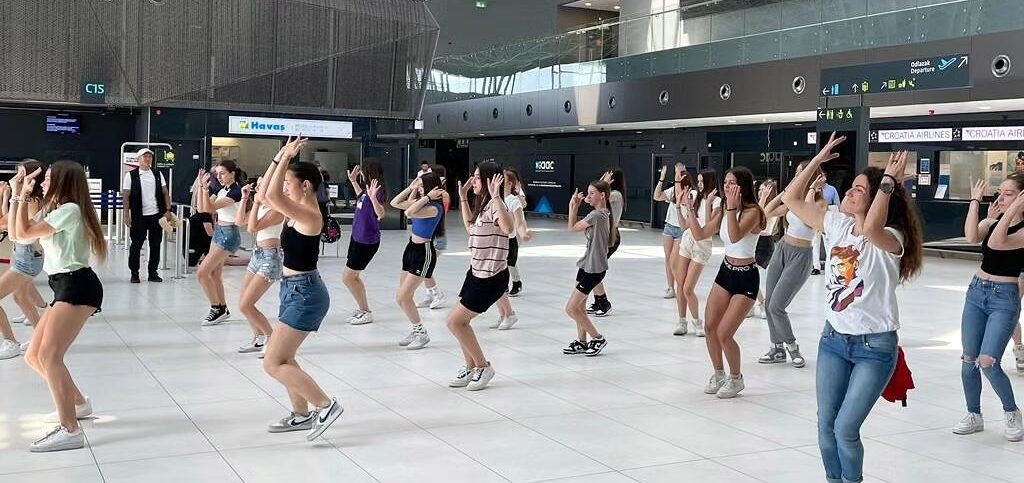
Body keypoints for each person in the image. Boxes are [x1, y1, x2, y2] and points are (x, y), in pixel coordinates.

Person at [784, 136, 923, 483]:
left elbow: (872, 227)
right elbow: (790, 198)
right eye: (853, 186)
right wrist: (818, 159)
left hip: (874, 347)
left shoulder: (892, 237)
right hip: (833, 340)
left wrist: (888, 182)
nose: (849, 191)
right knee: (825, 424)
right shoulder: (838, 224)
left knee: (846, 428)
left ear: (876, 199)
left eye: (859, 189)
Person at [16, 160, 106, 452]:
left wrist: (20, 195)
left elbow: (23, 234)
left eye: (48, 178)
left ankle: (70, 429)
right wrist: (17, 194)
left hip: (77, 285)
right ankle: (77, 403)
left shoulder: (70, 210)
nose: (43, 183)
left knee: (49, 356)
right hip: (63, 285)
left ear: (62, 182)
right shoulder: (56, 210)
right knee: (33, 356)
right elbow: (18, 233)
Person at [260, 137, 343, 441]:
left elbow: (270, 194)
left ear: (305, 186)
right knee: (285, 357)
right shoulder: (294, 210)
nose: (284, 188)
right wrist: (278, 159)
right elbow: (264, 194)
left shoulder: (309, 215)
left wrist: (283, 158)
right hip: (293, 289)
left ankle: (325, 405)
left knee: (272, 362)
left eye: (289, 184)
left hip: (306, 294)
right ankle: (301, 414)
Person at [682, 166, 765, 399]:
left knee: (724, 333)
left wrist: (730, 209)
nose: (727, 187)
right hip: (726, 272)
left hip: (746, 276)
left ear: (743, 186)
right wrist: (690, 209)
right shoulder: (724, 209)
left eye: (732, 183)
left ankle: (736, 378)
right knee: (710, 327)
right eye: (725, 182)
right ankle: (719, 374)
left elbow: (736, 235)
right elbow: (700, 234)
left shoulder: (753, 212)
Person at [965, 175, 1024, 441]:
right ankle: (974, 414)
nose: (1000, 198)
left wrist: (1011, 211)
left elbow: (996, 243)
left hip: (1004, 296)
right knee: (969, 360)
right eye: (1000, 192)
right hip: (977, 291)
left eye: (1008, 193)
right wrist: (975, 201)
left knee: (988, 362)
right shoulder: (993, 220)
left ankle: (1011, 411)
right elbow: (971, 236)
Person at [445, 162, 512, 391]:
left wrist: (497, 197)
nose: (472, 181)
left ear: (489, 181)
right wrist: (463, 198)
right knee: (459, 322)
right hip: (475, 273)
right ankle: (471, 366)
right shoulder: (483, 207)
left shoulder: (495, 205)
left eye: (476, 177)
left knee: (455, 322)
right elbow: (470, 228)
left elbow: (508, 228)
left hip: (491, 278)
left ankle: (483, 366)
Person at [758, 162, 827, 368]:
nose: (798, 177)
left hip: (801, 255)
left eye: (802, 174)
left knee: (777, 306)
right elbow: (767, 211)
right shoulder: (793, 201)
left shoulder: (820, 204)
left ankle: (792, 347)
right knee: (769, 303)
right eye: (797, 174)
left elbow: (808, 218)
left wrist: (811, 190)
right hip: (782, 248)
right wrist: (785, 192)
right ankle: (776, 348)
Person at [0, 161, 50, 360]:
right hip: (24, 254)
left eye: (21, 174)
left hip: (26, 256)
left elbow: (14, 227)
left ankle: (11, 342)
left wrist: (9, 195)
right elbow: (8, 221)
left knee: (19, 296)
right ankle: (41, 339)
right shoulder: (28, 198)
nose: (17, 178)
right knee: (19, 296)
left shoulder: (32, 200)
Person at [391, 174, 446, 350]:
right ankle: (416, 330)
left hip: (424, 253)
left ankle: (421, 333)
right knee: (402, 297)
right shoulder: (422, 203)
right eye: (419, 185)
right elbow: (395, 203)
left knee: (403, 297)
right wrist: (411, 188)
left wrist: (427, 197)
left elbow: (408, 212)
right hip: (411, 249)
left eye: (422, 185)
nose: (420, 188)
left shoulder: (435, 208)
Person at [562, 181, 614, 356]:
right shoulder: (603, 213)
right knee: (580, 307)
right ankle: (582, 342)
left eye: (592, 193)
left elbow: (571, 228)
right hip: (587, 265)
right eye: (588, 193)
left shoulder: (597, 215)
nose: (588, 196)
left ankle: (597, 338)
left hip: (594, 269)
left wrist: (573, 206)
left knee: (571, 308)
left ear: (602, 195)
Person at [235, 176, 285, 355]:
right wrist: (244, 198)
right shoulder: (262, 206)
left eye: (261, 184)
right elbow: (239, 221)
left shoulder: (277, 209)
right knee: (243, 300)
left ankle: (271, 339)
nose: (257, 187)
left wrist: (255, 203)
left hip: (269, 258)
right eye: (257, 184)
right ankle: (258, 338)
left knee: (246, 305)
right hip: (257, 256)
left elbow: (252, 228)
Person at [673, 169, 720, 337]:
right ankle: (681, 321)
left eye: (702, 181)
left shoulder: (717, 201)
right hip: (687, 240)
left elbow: (709, 227)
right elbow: (684, 226)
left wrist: (707, 204)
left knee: (688, 288)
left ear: (709, 182)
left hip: (702, 244)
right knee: (680, 284)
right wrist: (679, 206)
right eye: (698, 181)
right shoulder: (696, 197)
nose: (699, 185)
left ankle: (697, 321)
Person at [195, 161, 242, 326]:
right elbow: (202, 209)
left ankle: (216, 308)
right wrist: (201, 187)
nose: (219, 177)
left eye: (222, 173)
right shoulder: (222, 190)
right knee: (214, 274)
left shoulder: (235, 192)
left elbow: (211, 207)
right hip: (219, 232)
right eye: (217, 174)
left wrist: (205, 189)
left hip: (229, 234)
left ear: (232, 174)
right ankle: (222, 308)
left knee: (202, 273)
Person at [343, 158, 387, 326]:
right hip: (357, 237)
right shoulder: (366, 189)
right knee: (352, 277)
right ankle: (363, 309)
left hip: (366, 241)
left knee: (348, 278)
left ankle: (365, 311)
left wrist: (374, 198)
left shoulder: (377, 190)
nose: (360, 171)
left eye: (362, 169)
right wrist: (353, 181)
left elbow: (381, 214)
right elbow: (361, 197)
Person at [490, 168, 533, 330]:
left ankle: (508, 314)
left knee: (499, 278)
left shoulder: (513, 201)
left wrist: (524, 234)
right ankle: (503, 314)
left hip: (509, 241)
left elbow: (519, 222)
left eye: (503, 180)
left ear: (510, 184)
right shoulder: (495, 199)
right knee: (494, 280)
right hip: (495, 241)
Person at [122, 148, 172, 283]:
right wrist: (126, 213)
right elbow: (126, 196)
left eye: (150, 157)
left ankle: (153, 272)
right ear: (139, 159)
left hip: (156, 215)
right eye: (145, 157)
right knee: (136, 245)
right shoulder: (131, 175)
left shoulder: (157, 174)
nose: (148, 159)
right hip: (139, 215)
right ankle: (134, 272)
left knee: (155, 244)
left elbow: (165, 192)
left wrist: (168, 209)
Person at [587, 168, 625, 317]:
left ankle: (603, 302)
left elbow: (596, 197)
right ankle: (599, 301)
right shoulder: (608, 193)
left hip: (611, 236)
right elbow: (590, 198)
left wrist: (604, 183)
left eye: (607, 176)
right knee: (591, 268)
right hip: (602, 234)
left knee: (594, 269)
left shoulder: (615, 195)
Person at [652, 163, 687, 299]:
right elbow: (657, 196)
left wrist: (678, 180)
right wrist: (661, 178)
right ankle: (671, 287)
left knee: (674, 259)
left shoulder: (690, 191)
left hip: (681, 229)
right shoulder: (672, 190)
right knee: (668, 258)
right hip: (669, 226)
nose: (679, 175)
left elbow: (681, 199)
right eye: (677, 173)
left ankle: (681, 286)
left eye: (681, 173)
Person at [418, 164, 451, 310]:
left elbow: (441, 207)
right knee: (423, 266)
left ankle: (437, 294)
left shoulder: (442, 195)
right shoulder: (430, 196)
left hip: (437, 237)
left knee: (425, 267)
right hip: (430, 236)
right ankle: (429, 294)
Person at [750, 179, 780, 319]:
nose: (760, 192)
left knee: (751, 275)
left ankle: (762, 303)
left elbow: (758, 217)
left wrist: (763, 198)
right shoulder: (758, 204)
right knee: (749, 275)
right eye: (759, 190)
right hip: (754, 243)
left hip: (765, 244)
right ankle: (753, 305)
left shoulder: (772, 208)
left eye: (763, 190)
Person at [812, 176, 841, 275]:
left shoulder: (831, 189)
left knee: (828, 241)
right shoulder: (813, 189)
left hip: (828, 214)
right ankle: (816, 266)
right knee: (815, 241)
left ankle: (830, 264)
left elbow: (837, 204)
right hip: (816, 215)